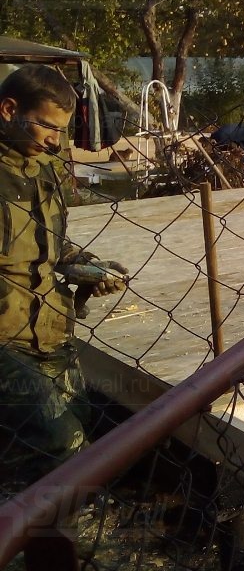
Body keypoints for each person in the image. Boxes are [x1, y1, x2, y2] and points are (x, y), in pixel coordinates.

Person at [0, 65, 128, 486]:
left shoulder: (45, 169)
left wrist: (86, 266)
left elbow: (51, 244)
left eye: (62, 129)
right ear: (9, 110)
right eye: (47, 126)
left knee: (77, 426)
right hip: (5, 342)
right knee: (62, 442)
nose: (56, 140)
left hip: (50, 331)